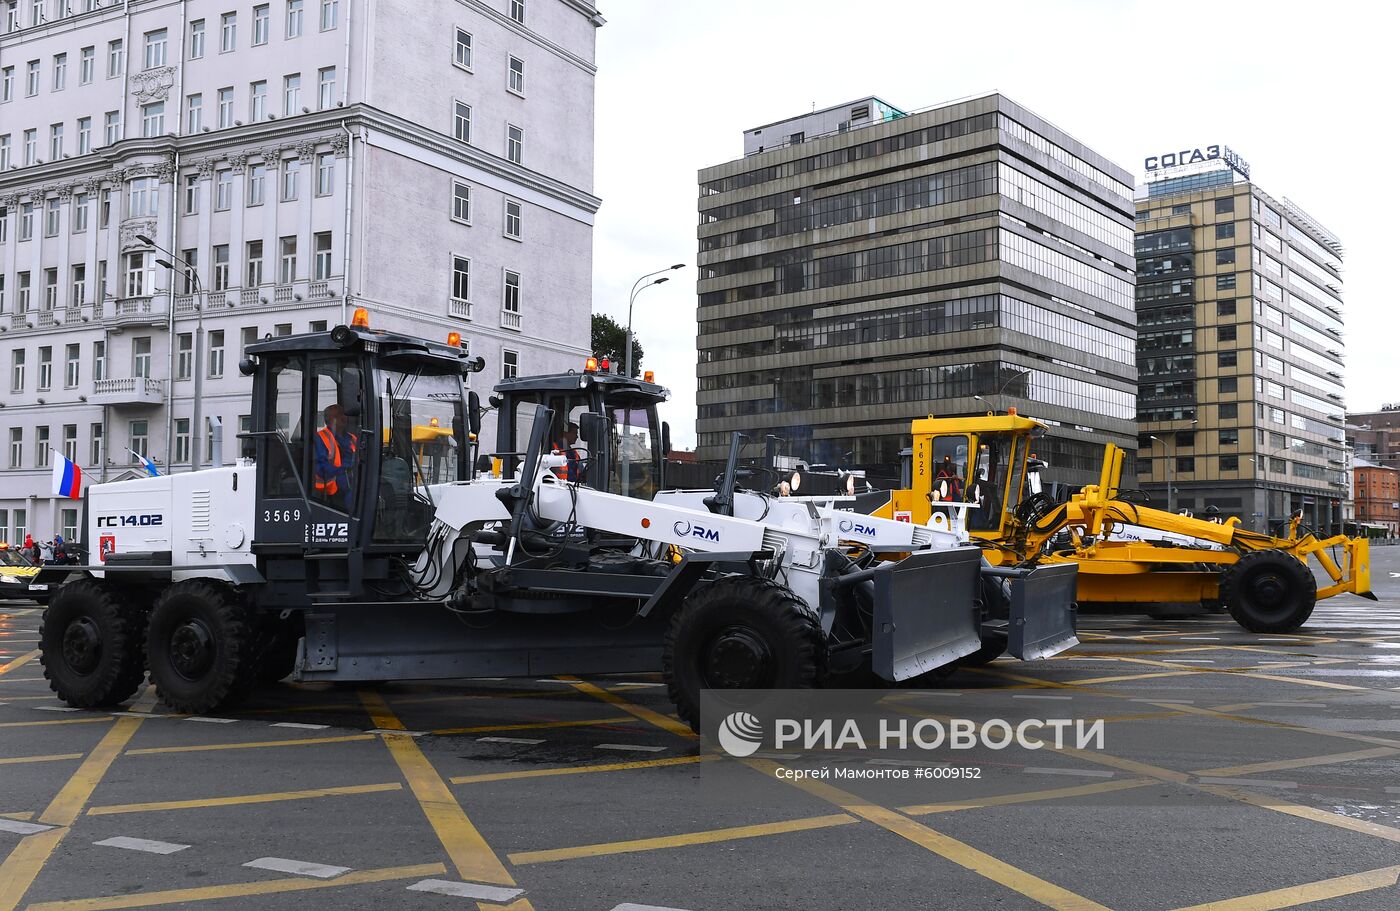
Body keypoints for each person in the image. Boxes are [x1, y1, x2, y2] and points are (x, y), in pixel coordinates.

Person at [313, 404, 358, 509]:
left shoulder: (353, 438)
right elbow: (321, 468)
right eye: (338, 415)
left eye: (344, 414)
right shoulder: (321, 438)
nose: (343, 417)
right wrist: (344, 470)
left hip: (354, 479)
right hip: (333, 486)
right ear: (329, 420)